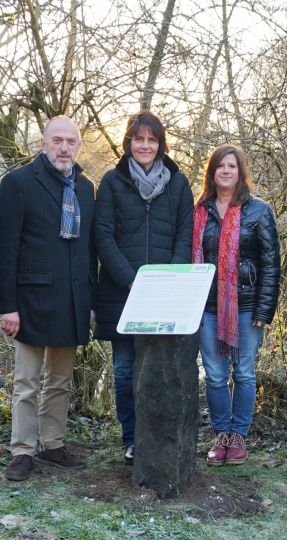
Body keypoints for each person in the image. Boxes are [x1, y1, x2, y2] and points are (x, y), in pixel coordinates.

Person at [0, 116, 97, 481]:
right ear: (43, 144)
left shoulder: (85, 188)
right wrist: (7, 306)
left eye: (70, 141)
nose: (64, 148)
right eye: (57, 141)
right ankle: (22, 450)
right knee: (27, 383)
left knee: (60, 381)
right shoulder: (19, 183)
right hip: (31, 301)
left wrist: (91, 300)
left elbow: (89, 249)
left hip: (71, 299)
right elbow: (3, 249)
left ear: (78, 146)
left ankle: (53, 444)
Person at [94, 110, 194, 464]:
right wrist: (132, 279)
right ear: (129, 143)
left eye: (152, 139)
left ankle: (160, 437)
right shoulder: (111, 182)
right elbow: (102, 237)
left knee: (161, 369)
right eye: (139, 139)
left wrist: (168, 279)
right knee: (124, 369)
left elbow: (185, 234)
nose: (146, 145)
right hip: (122, 293)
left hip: (164, 296)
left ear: (161, 144)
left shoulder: (179, 183)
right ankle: (132, 438)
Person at [193, 145, 280, 466]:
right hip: (207, 307)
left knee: (243, 373)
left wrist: (263, 309)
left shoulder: (259, 211)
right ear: (212, 172)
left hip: (246, 305)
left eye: (232, 166)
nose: (226, 171)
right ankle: (222, 434)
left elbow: (271, 264)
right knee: (215, 375)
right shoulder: (199, 211)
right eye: (220, 166)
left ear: (240, 172)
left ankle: (239, 435)